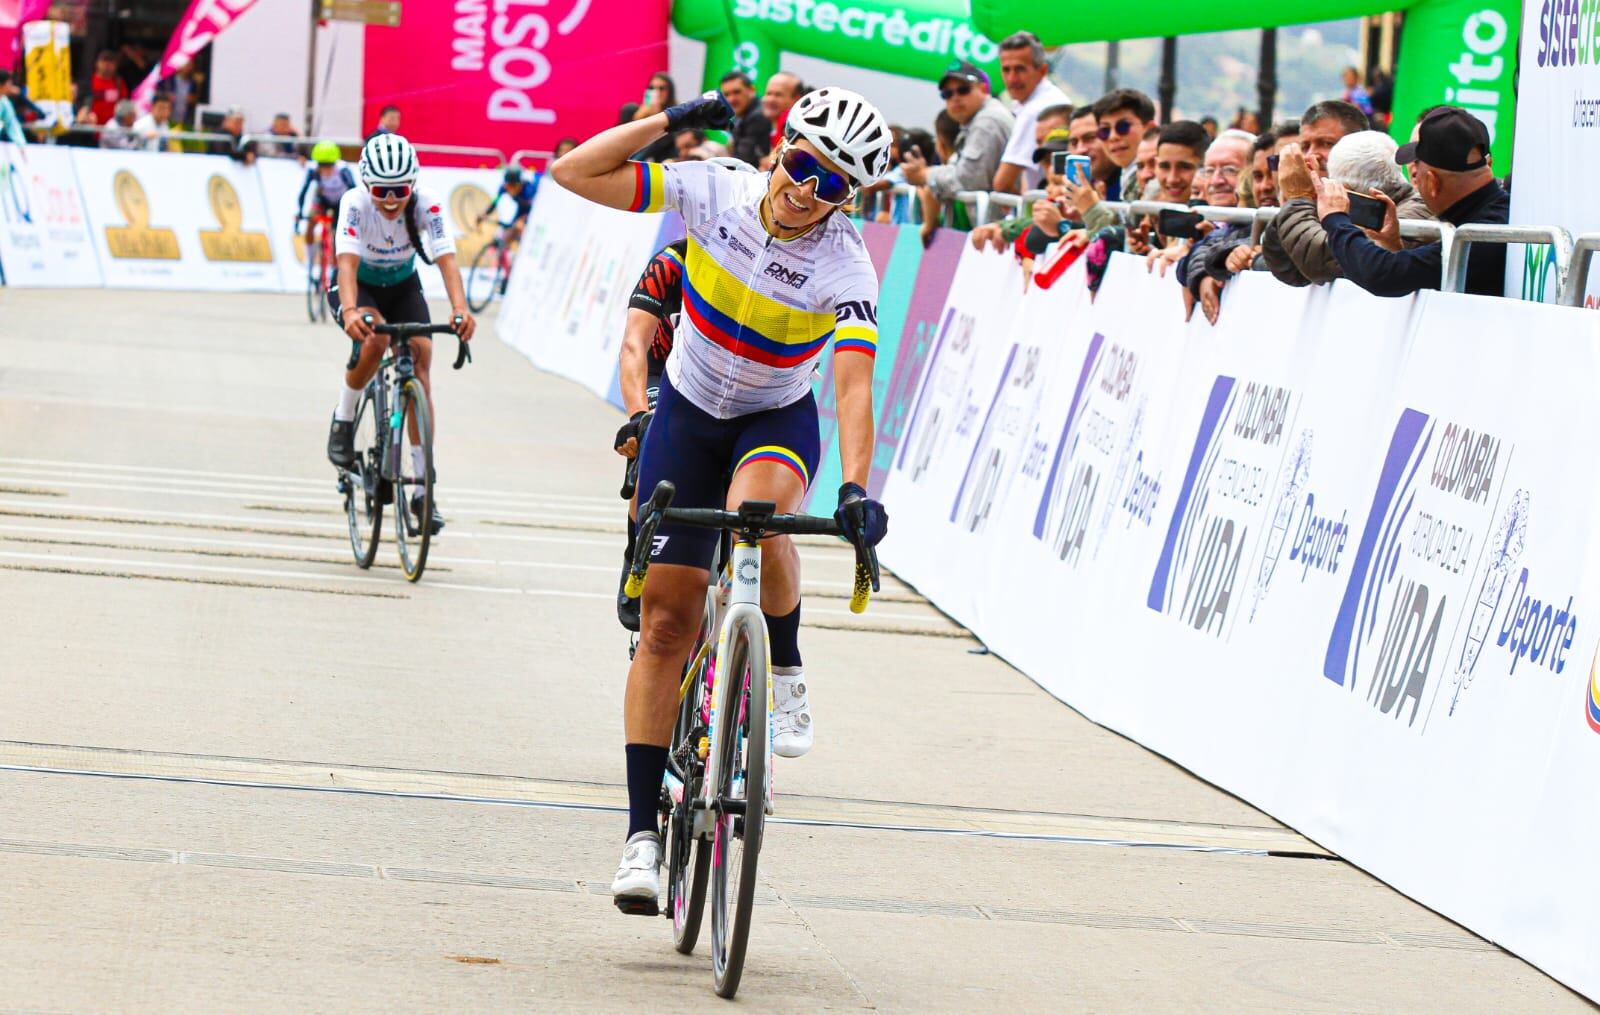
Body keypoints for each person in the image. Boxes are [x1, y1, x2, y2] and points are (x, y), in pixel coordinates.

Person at [550, 84, 892, 914]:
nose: (808, 191)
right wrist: (674, 121)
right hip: (689, 413)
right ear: (781, 146)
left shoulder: (846, 265)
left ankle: (785, 661)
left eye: (835, 184)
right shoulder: (719, 187)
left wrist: (855, 486)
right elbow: (573, 171)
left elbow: (850, 388)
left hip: (774, 415)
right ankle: (639, 836)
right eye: (804, 164)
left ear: (855, 199)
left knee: (762, 514)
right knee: (666, 623)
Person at [325, 133, 477, 534]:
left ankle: (423, 489)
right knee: (373, 341)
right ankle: (343, 419)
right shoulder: (354, 204)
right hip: (361, 284)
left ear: (414, 184)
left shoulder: (427, 203)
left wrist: (460, 309)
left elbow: (446, 258)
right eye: (381, 190)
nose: (391, 200)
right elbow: (345, 261)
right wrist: (353, 310)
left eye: (400, 191)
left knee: (421, 363)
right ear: (365, 185)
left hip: (403, 285)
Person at [1318, 107, 1507, 298]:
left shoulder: (1480, 236)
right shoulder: (1499, 212)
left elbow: (1382, 274)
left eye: (1417, 169)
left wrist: (1335, 219)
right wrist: (1392, 243)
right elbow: (1411, 273)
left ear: (1432, 182)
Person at [1258, 100, 1368, 286]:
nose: (1311, 155)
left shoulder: (1382, 204)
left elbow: (1324, 267)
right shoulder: (1308, 202)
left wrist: (1298, 199)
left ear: (1357, 149)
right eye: (1305, 146)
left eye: (1326, 143)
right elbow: (1289, 270)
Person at [899, 60, 1013, 239]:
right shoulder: (976, 120)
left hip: (996, 236)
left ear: (983, 89)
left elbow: (968, 179)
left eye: (963, 89)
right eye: (947, 93)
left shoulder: (988, 122)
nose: (955, 97)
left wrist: (925, 175)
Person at [992, 31, 1070, 194]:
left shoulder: (1035, 110)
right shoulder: (1048, 98)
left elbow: (1001, 183)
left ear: (1042, 71)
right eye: (1006, 70)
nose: (1012, 78)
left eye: (1020, 69)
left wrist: (1025, 206)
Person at [297, 140, 358, 247]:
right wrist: (300, 212)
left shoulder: (343, 170)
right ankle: (309, 260)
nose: (325, 170)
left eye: (329, 166)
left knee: (338, 233)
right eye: (322, 166)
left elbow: (354, 191)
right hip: (322, 200)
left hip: (340, 202)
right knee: (310, 224)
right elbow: (303, 192)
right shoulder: (313, 170)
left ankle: (335, 260)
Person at [718, 71, 772, 166]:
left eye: (737, 92)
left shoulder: (757, 117)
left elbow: (743, 161)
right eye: (726, 94)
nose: (731, 99)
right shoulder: (742, 115)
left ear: (751, 90)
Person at [477, 164, 535, 247]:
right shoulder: (504, 187)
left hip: (533, 211)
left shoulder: (528, 191)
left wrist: (522, 221)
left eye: (512, 186)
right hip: (521, 210)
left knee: (519, 227)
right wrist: (485, 213)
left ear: (519, 184)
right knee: (506, 236)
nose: (508, 188)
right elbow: (495, 201)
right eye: (507, 185)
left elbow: (533, 210)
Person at [630, 73, 677, 163]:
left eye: (661, 88)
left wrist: (657, 117)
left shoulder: (676, 114)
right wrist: (637, 119)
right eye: (652, 88)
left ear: (669, 92)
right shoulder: (633, 111)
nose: (656, 92)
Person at [761, 71, 804, 157]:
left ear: (796, 99)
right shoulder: (771, 126)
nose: (770, 99)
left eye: (778, 95)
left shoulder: (793, 127)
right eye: (768, 94)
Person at [88, 51, 127, 126]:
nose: (107, 65)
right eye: (104, 62)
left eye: (110, 63)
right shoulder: (90, 81)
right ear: (97, 63)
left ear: (115, 66)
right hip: (92, 127)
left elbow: (123, 104)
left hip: (112, 129)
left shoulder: (119, 83)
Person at [0, 70, 26, 147]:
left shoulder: (4, 102)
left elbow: (12, 123)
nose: (11, 86)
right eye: (9, 83)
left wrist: (20, 144)